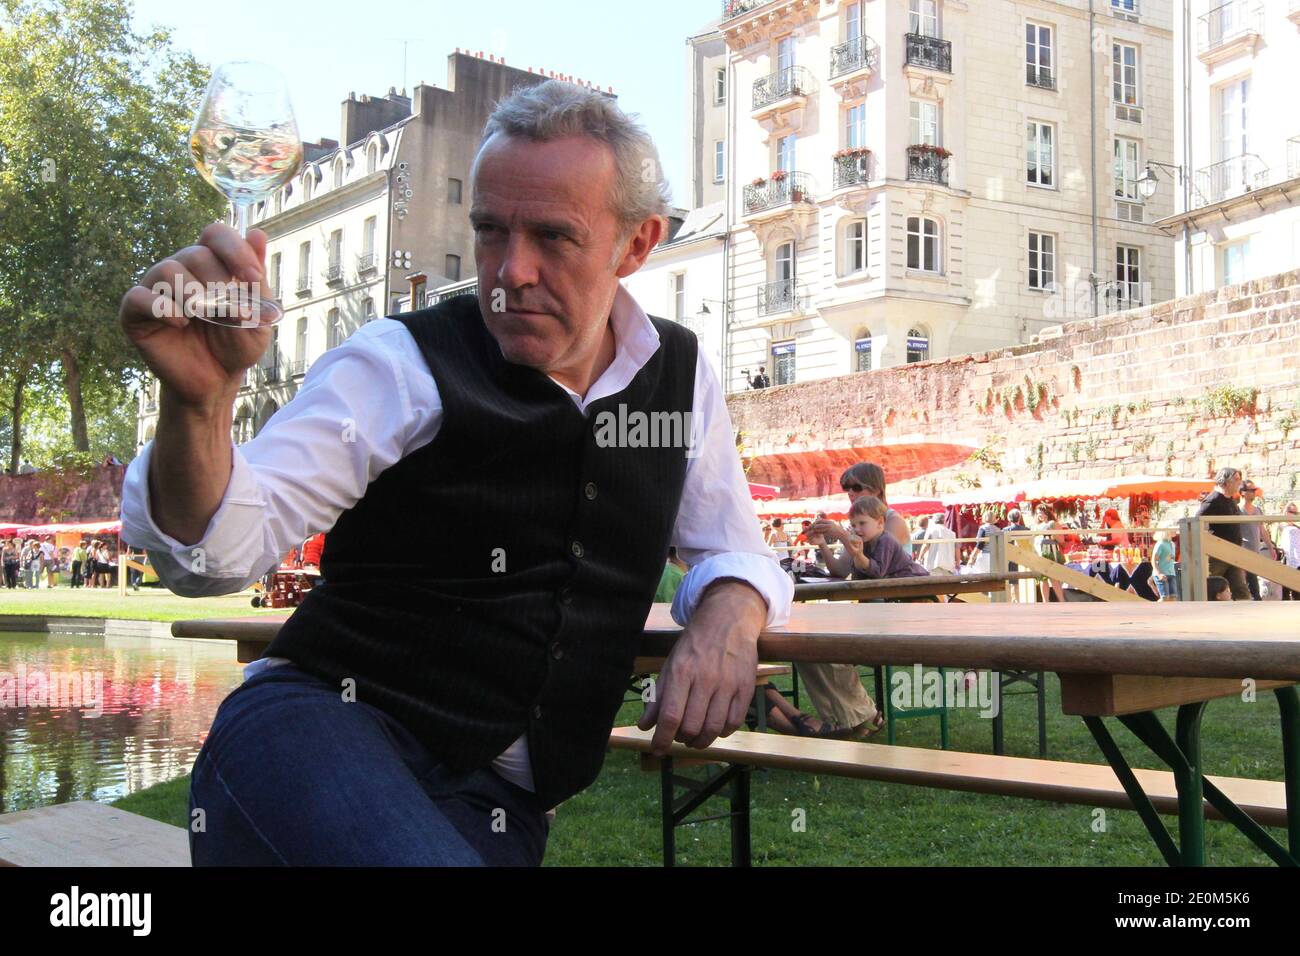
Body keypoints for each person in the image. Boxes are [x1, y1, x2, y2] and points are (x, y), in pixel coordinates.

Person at [118, 80, 793, 867]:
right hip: (318, 731)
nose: (511, 271)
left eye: (552, 237)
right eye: (489, 232)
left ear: (637, 245)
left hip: (498, 801)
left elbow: (733, 549)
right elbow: (217, 553)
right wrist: (196, 408)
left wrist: (729, 615)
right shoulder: (401, 364)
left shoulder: (678, 374)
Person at [799, 462, 910, 740]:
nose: (850, 492)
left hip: (897, 613)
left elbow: (877, 572)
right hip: (870, 611)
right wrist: (824, 543)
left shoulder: (891, 522)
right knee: (802, 643)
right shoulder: (860, 522)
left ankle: (857, 718)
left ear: (876, 488)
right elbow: (840, 570)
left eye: (856, 487)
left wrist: (842, 534)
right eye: (846, 487)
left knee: (824, 645)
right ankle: (851, 719)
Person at [1196, 467, 1250, 600]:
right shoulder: (1212, 500)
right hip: (1218, 554)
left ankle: (1245, 618)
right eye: (1236, 479)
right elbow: (1197, 521)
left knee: (1240, 589)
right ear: (1226, 482)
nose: (1239, 483)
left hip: (1233, 553)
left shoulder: (1232, 501)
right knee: (1209, 588)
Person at [843, 496, 929, 580]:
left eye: (862, 523)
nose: (857, 529)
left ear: (880, 523)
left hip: (913, 582)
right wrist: (855, 555)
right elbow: (858, 576)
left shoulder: (886, 540)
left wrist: (859, 555)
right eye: (853, 525)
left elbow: (878, 572)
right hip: (894, 585)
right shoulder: (866, 543)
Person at [1239, 480, 1267, 601]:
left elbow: (1262, 529)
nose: (1254, 493)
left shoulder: (1257, 510)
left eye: (1255, 490)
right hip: (1242, 550)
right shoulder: (1237, 510)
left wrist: (1270, 547)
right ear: (1243, 492)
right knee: (1247, 580)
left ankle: (1254, 599)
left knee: (1252, 578)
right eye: (1251, 490)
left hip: (1255, 550)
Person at [1033, 503, 1066, 603]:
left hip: (1051, 552)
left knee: (1054, 578)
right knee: (1043, 579)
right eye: (1038, 513)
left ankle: (1062, 601)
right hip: (1039, 553)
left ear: (1047, 513)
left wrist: (1051, 530)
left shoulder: (1053, 523)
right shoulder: (1035, 526)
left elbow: (1061, 540)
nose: (1040, 515)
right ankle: (1045, 602)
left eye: (1042, 513)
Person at [1151, 530, 1179, 601]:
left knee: (1173, 598)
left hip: (1171, 573)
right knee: (1164, 598)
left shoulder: (1172, 544)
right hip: (1162, 574)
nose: (1175, 530)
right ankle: (1151, 611)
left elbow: (1170, 559)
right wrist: (1159, 574)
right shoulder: (1160, 544)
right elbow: (1153, 560)